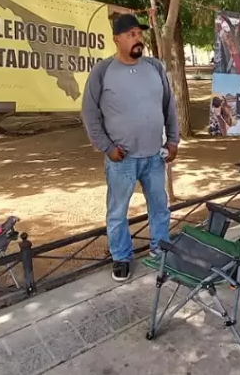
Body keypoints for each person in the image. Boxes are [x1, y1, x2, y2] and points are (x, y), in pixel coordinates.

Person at [81, 14, 179, 283]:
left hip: (155, 156)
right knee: (117, 211)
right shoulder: (102, 71)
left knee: (160, 207)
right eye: (131, 34)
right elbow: (89, 114)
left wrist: (173, 140)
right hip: (121, 159)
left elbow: (168, 106)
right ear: (117, 39)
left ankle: (160, 250)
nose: (138, 39)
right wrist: (106, 147)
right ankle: (121, 256)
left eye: (139, 33)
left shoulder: (155, 67)